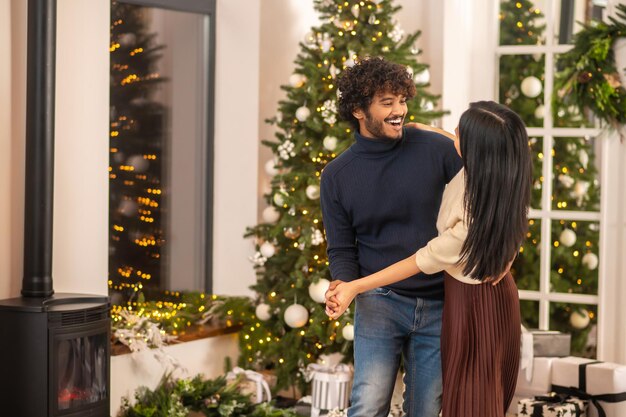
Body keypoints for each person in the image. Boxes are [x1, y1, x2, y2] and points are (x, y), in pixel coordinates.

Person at [325, 100, 532, 417]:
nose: (452, 135)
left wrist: (354, 287)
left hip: (470, 304)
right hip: (455, 295)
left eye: (460, 133)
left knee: (469, 404)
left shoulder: (471, 210)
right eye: (388, 102)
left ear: (476, 149)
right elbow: (461, 141)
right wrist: (423, 129)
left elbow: (420, 261)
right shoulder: (489, 168)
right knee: (377, 402)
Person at [320, 56, 462, 417]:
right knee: (367, 405)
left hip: (439, 301)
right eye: (387, 102)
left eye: (402, 99)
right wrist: (343, 287)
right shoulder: (337, 176)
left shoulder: (434, 148)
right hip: (379, 302)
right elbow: (341, 247)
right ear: (358, 110)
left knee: (426, 410)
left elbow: (485, 164)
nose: (399, 110)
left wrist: (435, 130)